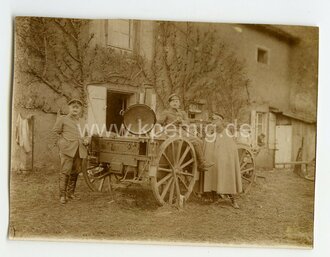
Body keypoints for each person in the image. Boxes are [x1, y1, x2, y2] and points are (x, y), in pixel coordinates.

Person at [158, 93, 213, 171]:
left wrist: (182, 122)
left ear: (179, 103)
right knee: (194, 141)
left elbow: (187, 123)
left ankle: (200, 163)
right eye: (173, 102)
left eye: (177, 101)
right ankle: (201, 162)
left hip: (182, 132)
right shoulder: (166, 112)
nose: (175, 103)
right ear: (170, 103)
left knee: (199, 141)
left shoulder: (183, 113)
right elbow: (159, 123)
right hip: (171, 132)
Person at [52, 99, 89, 204]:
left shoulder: (82, 121)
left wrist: (87, 139)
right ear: (69, 108)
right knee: (65, 172)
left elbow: (86, 134)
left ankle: (70, 194)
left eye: (77, 107)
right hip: (67, 150)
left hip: (79, 150)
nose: (75, 109)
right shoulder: (63, 119)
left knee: (75, 172)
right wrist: (61, 144)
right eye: (73, 107)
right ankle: (62, 196)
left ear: (80, 109)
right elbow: (55, 132)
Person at [204, 112, 242, 209]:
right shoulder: (212, 133)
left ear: (221, 121)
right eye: (213, 120)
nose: (214, 122)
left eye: (216, 120)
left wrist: (225, 159)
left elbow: (231, 149)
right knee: (213, 176)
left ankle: (233, 200)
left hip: (225, 162)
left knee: (228, 177)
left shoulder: (226, 133)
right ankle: (215, 199)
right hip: (214, 162)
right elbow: (207, 147)